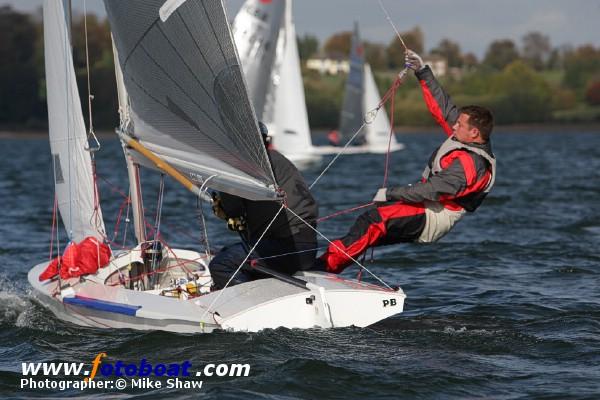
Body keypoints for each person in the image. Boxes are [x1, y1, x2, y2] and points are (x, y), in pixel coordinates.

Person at [318, 50, 497, 273]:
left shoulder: (471, 165)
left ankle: (323, 268)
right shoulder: (464, 137)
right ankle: (324, 268)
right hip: (426, 207)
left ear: (474, 133)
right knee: (369, 229)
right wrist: (422, 71)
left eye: (459, 124)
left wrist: (390, 193)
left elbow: (434, 191)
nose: (453, 126)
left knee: (374, 220)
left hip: (434, 217)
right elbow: (443, 108)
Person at [209, 122, 319, 289]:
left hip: (285, 248)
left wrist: (222, 206)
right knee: (234, 254)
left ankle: (242, 306)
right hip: (307, 247)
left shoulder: (244, 165)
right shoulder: (278, 160)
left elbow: (233, 210)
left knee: (222, 265)